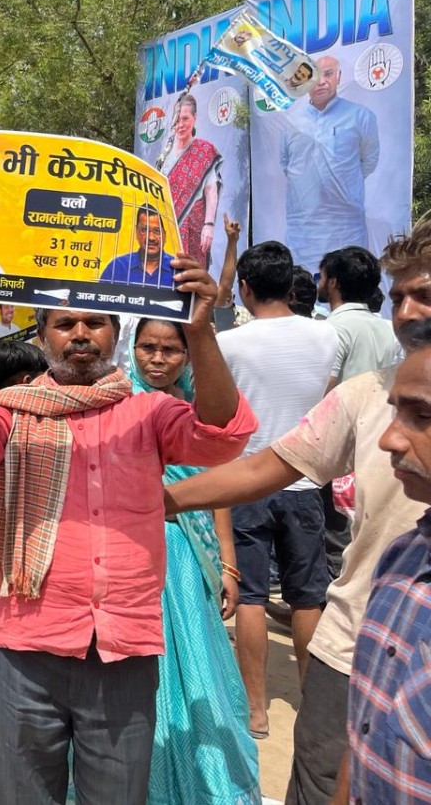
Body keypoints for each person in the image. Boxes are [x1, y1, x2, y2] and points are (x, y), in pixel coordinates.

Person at [0, 250, 255, 804]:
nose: (80, 334)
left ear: (114, 332)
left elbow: (222, 436)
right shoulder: (11, 411)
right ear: (43, 335)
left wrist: (202, 331)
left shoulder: (149, 412)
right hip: (27, 643)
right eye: (65, 324)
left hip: (122, 646)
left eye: (94, 323)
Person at [164, 220, 431, 804]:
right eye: (398, 299)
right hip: (356, 636)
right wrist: (159, 500)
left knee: (258, 598)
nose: (409, 314)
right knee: (322, 775)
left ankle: (257, 706)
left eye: (424, 296)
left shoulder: (252, 344)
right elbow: (268, 465)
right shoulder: (363, 390)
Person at [128, 319, 261, 804]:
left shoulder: (198, 411)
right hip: (134, 547)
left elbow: (215, 489)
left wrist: (227, 563)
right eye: (148, 347)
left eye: (170, 350)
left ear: (186, 356)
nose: (157, 359)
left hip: (186, 555)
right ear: (133, 348)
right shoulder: (120, 403)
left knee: (194, 658)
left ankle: (197, 774)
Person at [215, 241, 340, 739]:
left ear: (245, 287)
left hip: (246, 478)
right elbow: (328, 399)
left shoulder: (229, 343)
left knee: (250, 597)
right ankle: (312, 702)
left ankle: (256, 709)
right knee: (307, 598)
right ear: (291, 285)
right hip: (304, 479)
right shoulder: (327, 336)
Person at [339, 320, 431, 803]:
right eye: (397, 412)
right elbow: (365, 734)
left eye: (423, 416)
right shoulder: (401, 558)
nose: (389, 439)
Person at [280, 55, 380, 273]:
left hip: (346, 229)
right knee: (303, 287)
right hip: (304, 232)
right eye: (315, 76)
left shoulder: (361, 116)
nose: (321, 82)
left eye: (328, 74)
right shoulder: (291, 121)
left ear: (338, 77)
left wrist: (342, 183)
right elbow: (286, 163)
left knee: (349, 282)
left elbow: (369, 160)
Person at [319, 246, 400, 386]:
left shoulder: (332, 328)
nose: (319, 284)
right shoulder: (387, 328)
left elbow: (324, 386)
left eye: (320, 277)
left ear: (333, 283)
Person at [161, 93, 222, 266]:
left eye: (185, 119)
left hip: (194, 227)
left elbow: (211, 190)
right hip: (168, 227)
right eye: (177, 120)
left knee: (194, 276)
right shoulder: (165, 156)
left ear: (195, 118)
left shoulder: (204, 150)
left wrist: (209, 225)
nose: (180, 124)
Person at [98, 206, 175, 287]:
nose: (151, 238)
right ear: (137, 233)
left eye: (157, 231)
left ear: (164, 235)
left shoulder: (177, 269)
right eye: (144, 230)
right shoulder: (117, 267)